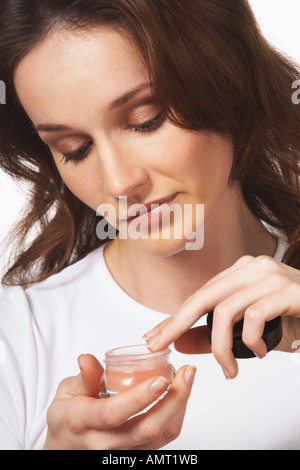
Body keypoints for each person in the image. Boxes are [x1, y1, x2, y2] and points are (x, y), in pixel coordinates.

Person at [0, 0, 299, 450]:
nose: (119, 183)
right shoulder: (16, 340)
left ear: (226, 80)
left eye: (146, 120)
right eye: (75, 149)